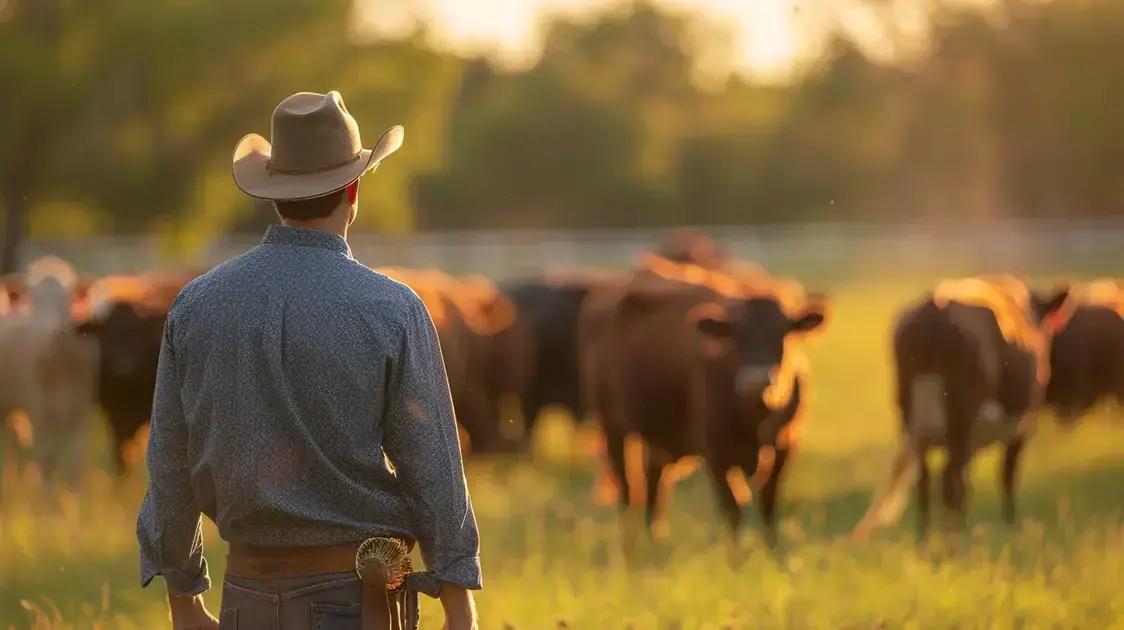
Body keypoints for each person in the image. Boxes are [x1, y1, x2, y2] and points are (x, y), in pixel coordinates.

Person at [137, 91, 481, 630]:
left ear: (275, 196)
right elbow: (433, 466)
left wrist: (185, 601)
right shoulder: (393, 310)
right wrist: (459, 608)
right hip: (357, 600)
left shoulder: (196, 305)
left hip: (244, 595)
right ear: (354, 191)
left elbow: (170, 465)